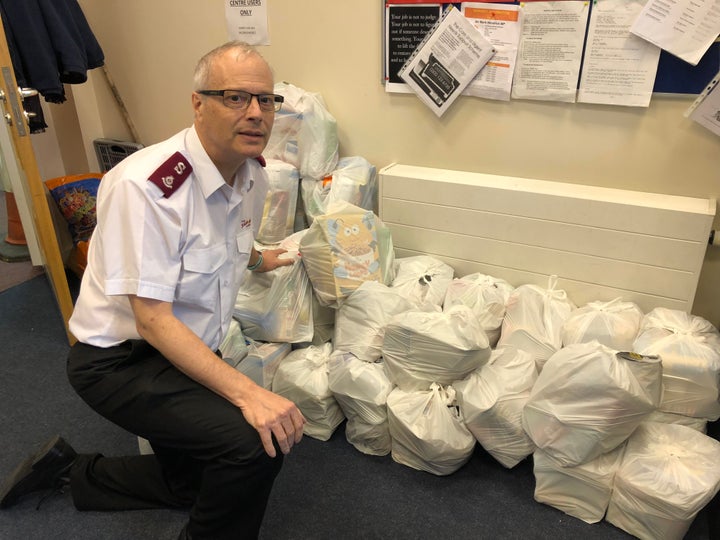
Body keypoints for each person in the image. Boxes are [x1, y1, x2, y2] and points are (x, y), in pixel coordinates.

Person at [0, 41, 306, 540]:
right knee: (251, 446)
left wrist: (261, 258)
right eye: (235, 97)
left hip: (184, 348)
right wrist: (250, 394)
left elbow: (228, 241)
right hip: (119, 362)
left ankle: (67, 473)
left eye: (266, 100)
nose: (255, 113)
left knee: (191, 483)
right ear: (197, 104)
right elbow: (152, 320)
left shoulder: (250, 175)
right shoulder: (149, 188)